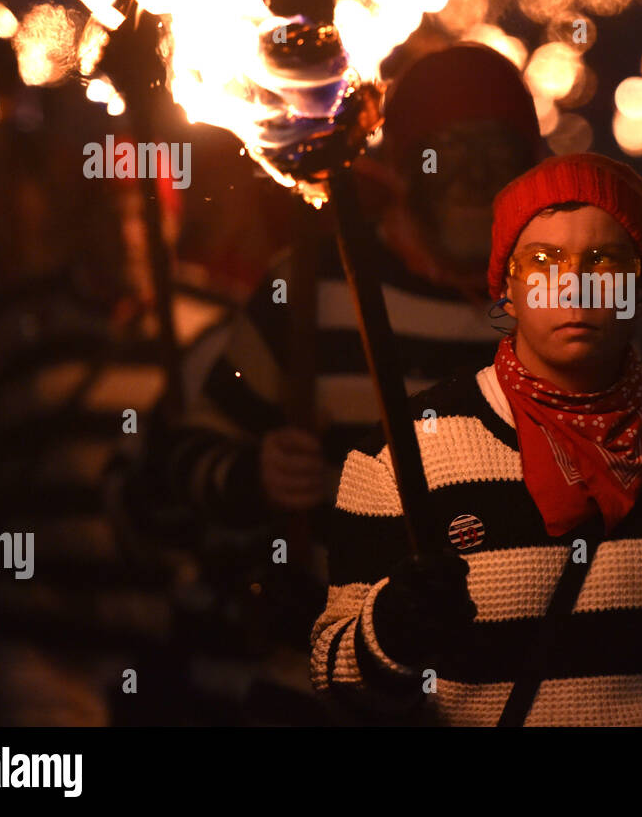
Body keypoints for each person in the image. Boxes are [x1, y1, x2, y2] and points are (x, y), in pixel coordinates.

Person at [135, 42, 542, 721]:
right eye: (453, 151)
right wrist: (252, 475)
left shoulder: (553, 308)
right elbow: (182, 459)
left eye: (497, 152)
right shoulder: (311, 288)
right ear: (408, 165)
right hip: (323, 692)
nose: (475, 177)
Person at [310, 152, 642, 725]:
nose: (573, 286)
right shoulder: (406, 451)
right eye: (543, 260)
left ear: (638, 286)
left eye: (603, 260)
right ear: (508, 289)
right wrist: (389, 631)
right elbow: (335, 680)